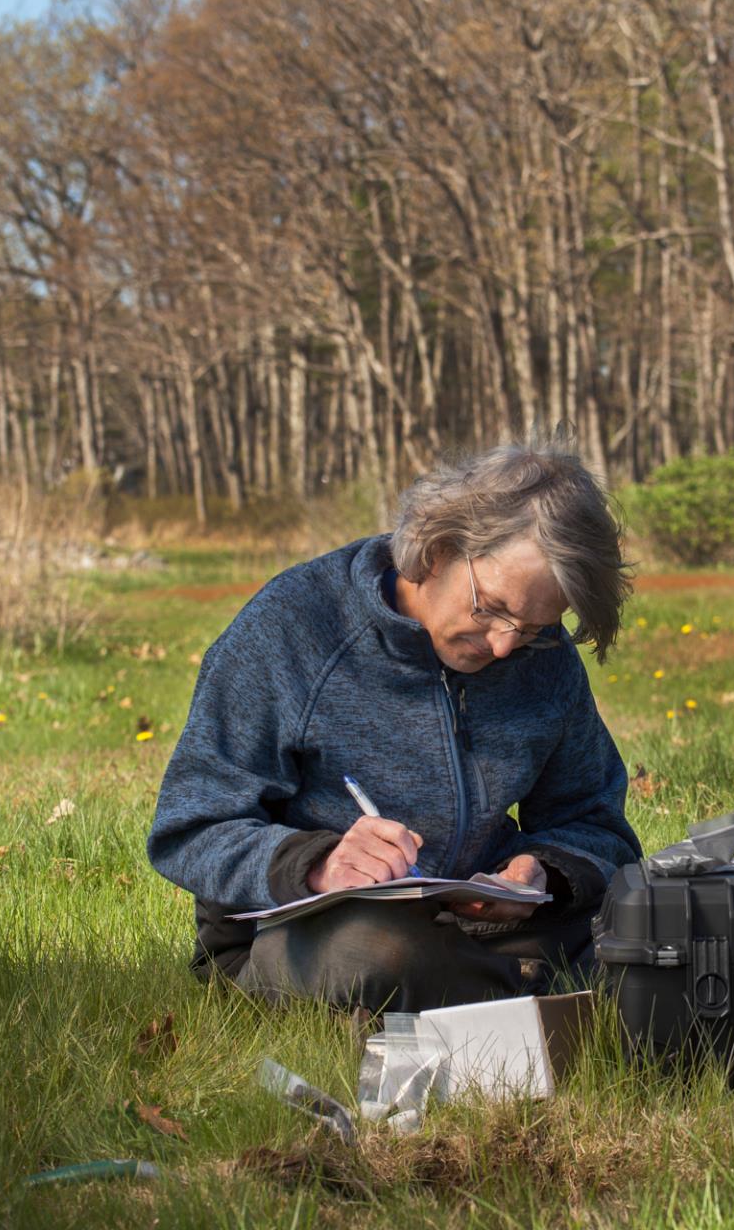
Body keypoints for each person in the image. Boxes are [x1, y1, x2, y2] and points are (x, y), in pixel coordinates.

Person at [147, 434, 641, 1012]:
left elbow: (596, 823)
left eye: (534, 626)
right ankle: (541, 1001)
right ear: (435, 549)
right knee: (380, 954)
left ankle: (512, 997)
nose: (508, 646)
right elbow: (189, 830)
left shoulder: (544, 655)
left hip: (482, 929)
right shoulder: (292, 628)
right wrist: (317, 865)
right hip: (306, 935)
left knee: (654, 929)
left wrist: (543, 876)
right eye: (492, 609)